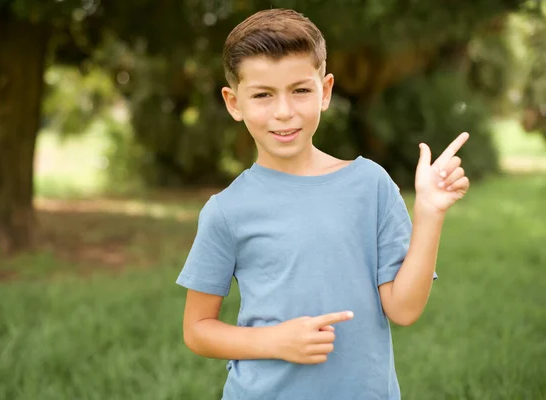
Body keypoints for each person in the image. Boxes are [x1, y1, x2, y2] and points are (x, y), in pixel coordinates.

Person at [175, 8, 470, 400]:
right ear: (234, 102)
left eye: (300, 90)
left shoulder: (370, 185)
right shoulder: (226, 211)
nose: (284, 111)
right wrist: (274, 341)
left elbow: (403, 310)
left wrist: (430, 214)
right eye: (263, 95)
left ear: (325, 91)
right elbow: (197, 329)